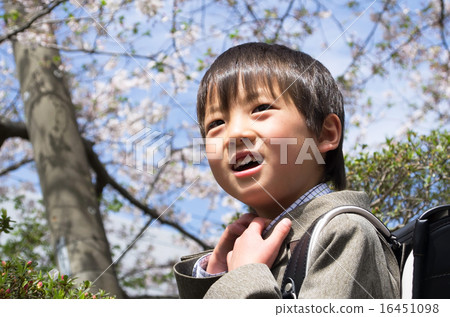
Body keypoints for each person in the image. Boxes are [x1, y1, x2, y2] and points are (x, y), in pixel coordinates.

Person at [173, 42, 400, 299]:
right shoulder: (245, 250)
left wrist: (245, 276)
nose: (234, 134)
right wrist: (216, 277)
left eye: (260, 109)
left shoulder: (345, 233)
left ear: (325, 134)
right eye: (216, 123)